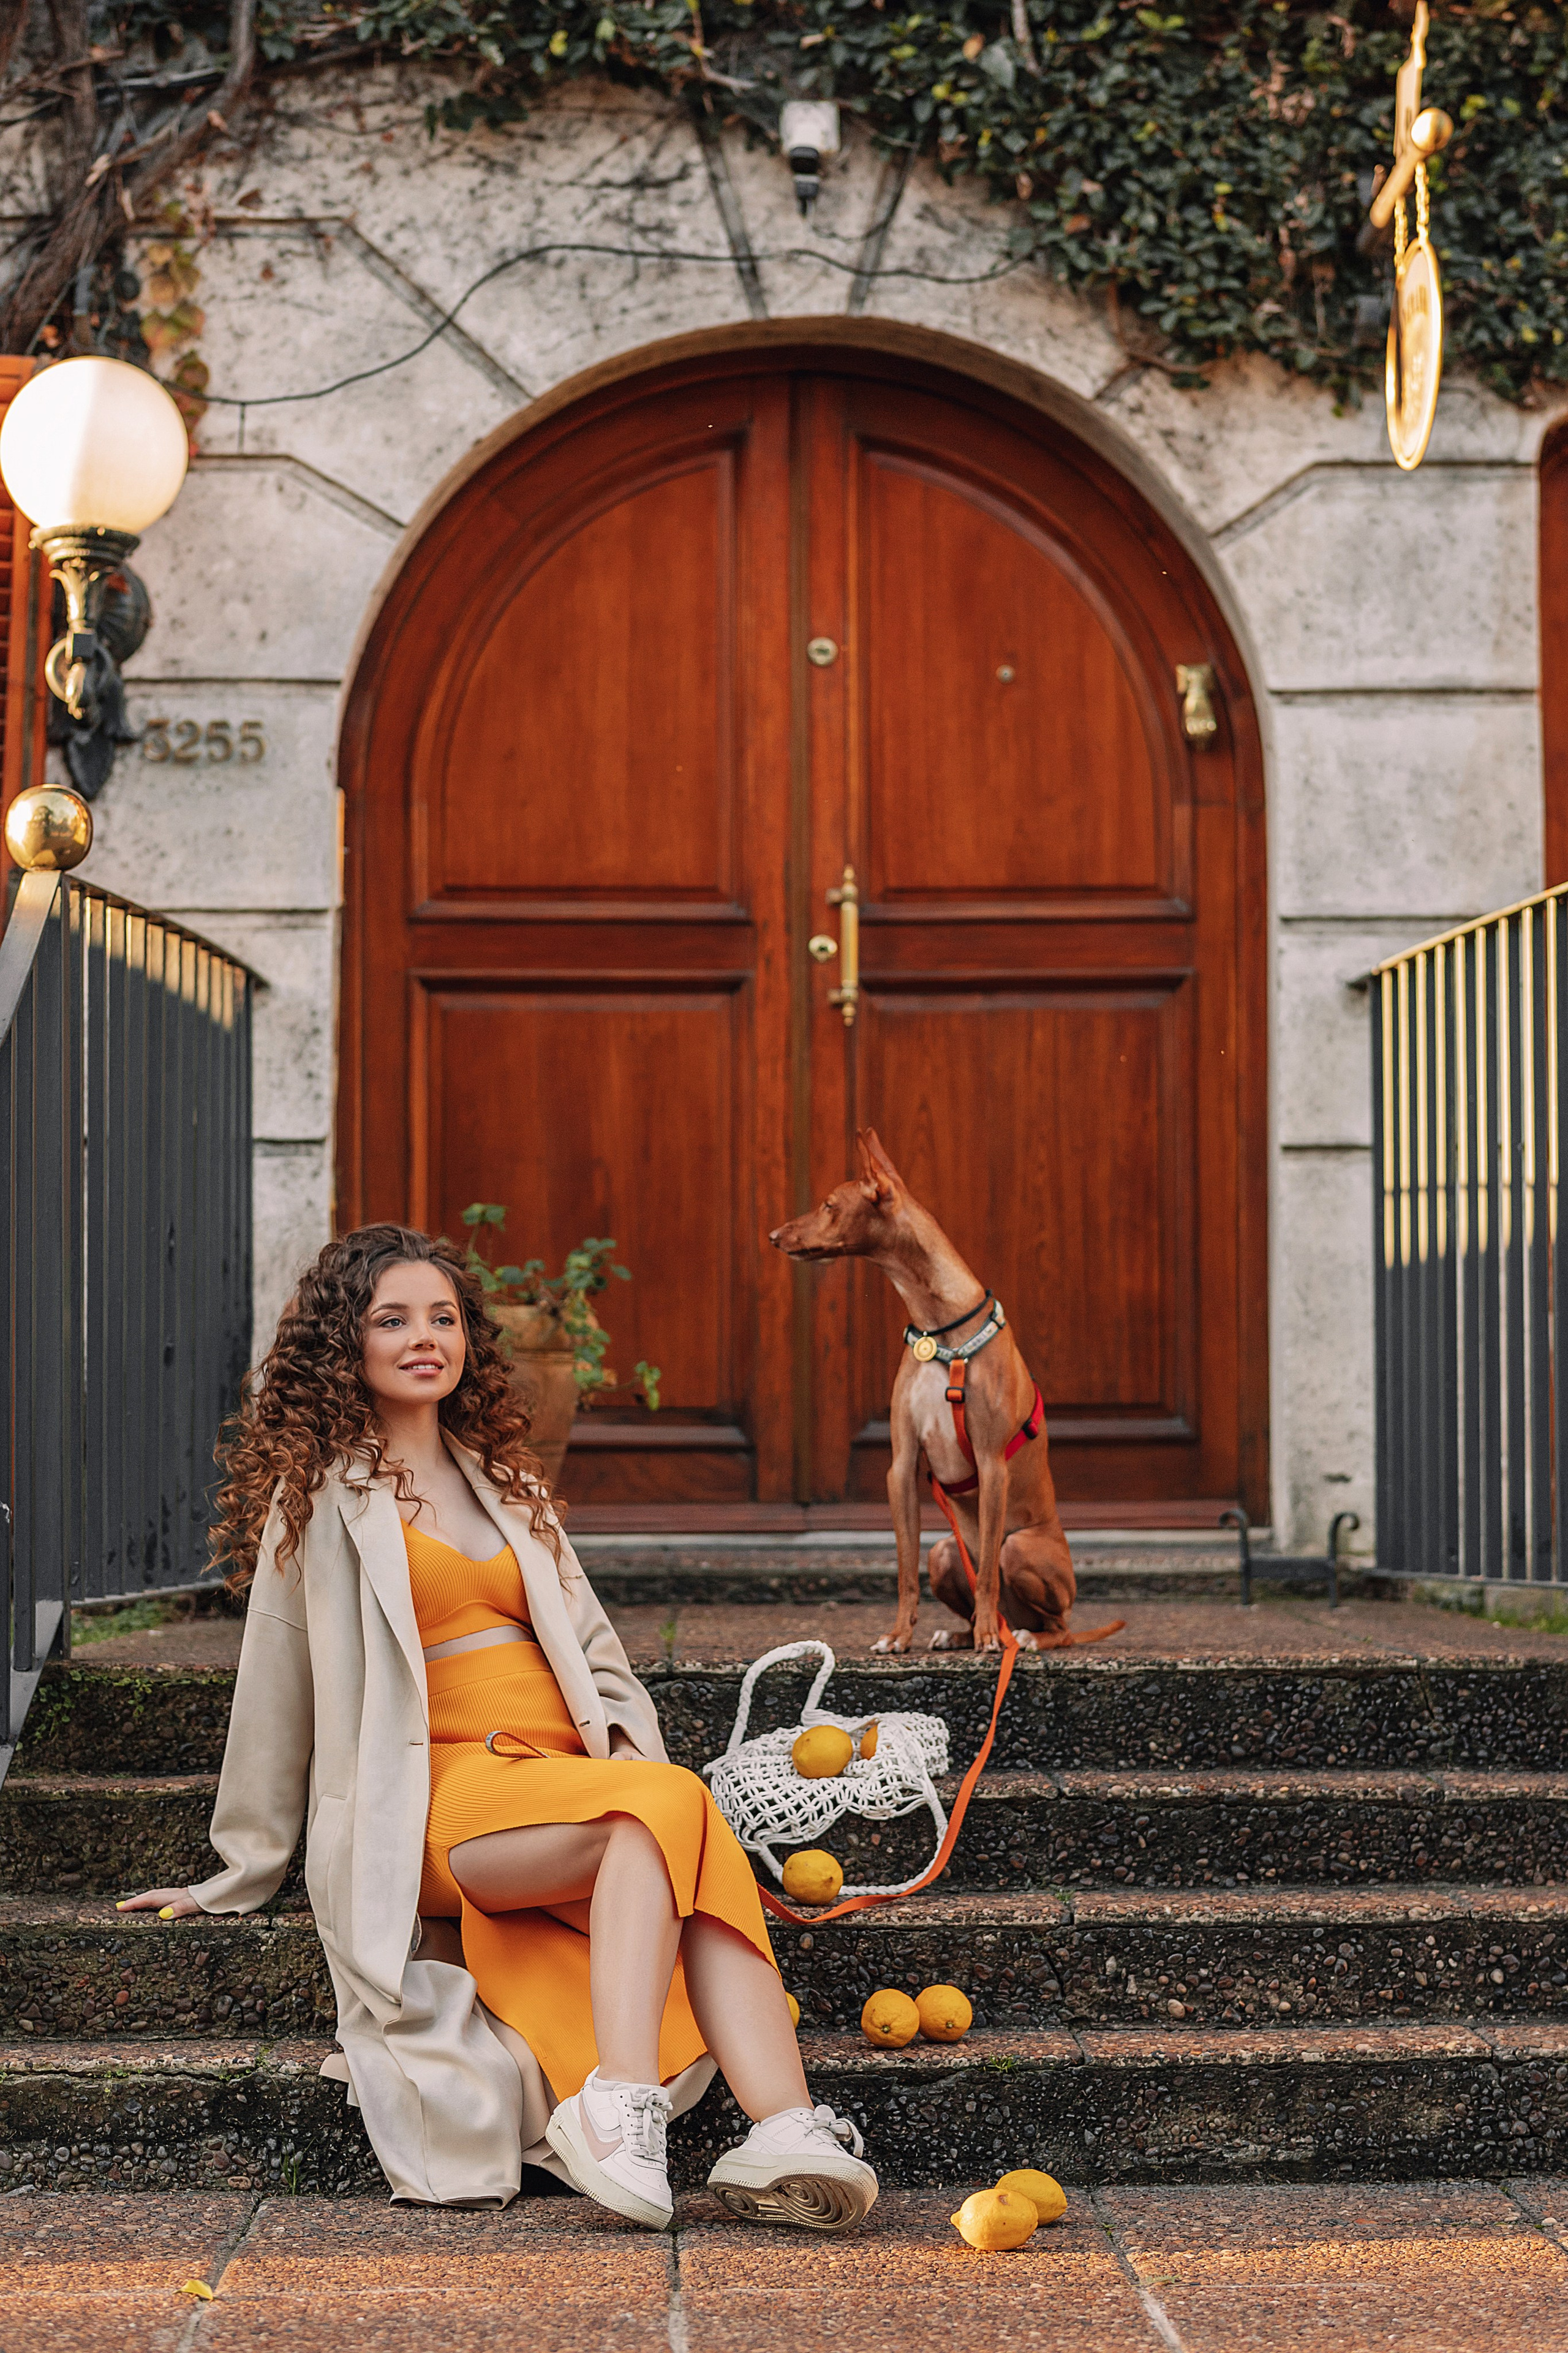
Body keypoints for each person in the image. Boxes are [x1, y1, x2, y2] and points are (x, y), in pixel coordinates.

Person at [119, 1225, 877, 2231]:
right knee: (669, 1807)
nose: (424, 1337)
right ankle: (623, 2097)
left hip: (561, 1782)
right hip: (436, 1799)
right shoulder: (321, 1504)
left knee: (660, 1811)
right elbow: (272, 1698)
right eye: (392, 1319)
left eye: (442, 1316)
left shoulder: (508, 1486)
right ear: (345, 1343)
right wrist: (239, 1868)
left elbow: (599, 1657)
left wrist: (619, 1747)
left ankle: (779, 2129)